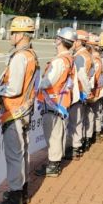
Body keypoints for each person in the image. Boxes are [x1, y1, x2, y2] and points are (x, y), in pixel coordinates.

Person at [0, 16, 39, 204]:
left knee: (14, 155)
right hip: (24, 110)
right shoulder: (31, 55)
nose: (10, 35)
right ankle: (21, 190)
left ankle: (16, 196)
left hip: (14, 111)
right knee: (22, 152)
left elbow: (14, 88)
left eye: (12, 32)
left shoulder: (19, 57)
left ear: (20, 35)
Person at [35, 27, 76, 178]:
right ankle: (55, 162)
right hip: (61, 101)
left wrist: (35, 83)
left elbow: (48, 82)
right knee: (58, 133)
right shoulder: (69, 59)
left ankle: (53, 164)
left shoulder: (59, 61)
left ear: (60, 40)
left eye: (57, 38)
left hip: (53, 102)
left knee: (52, 134)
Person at [67, 30, 93, 159]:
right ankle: (78, 145)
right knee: (79, 120)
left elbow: (82, 77)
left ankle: (74, 148)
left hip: (78, 93)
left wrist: (86, 93)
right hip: (83, 92)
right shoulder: (87, 54)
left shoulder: (79, 57)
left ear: (78, 42)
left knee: (74, 122)